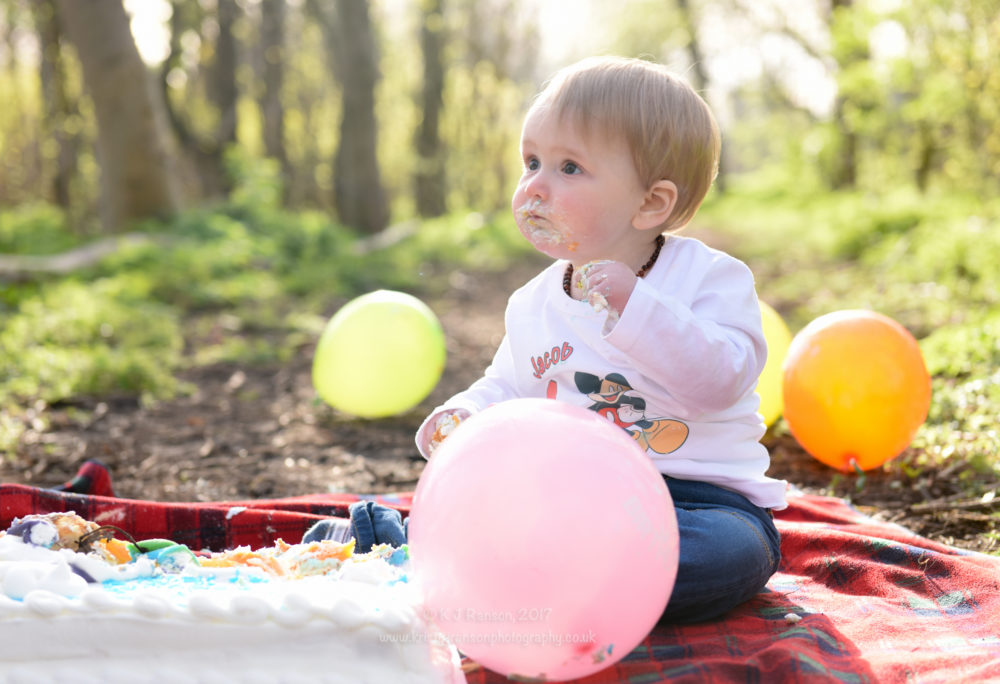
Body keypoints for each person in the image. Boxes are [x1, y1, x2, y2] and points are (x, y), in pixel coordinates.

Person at [307, 55, 788, 624]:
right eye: (530, 162)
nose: (535, 186)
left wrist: (638, 307)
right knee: (503, 508)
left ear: (650, 203)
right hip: (571, 498)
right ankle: (409, 541)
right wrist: (466, 414)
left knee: (733, 555)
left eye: (569, 168)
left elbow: (721, 382)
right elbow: (510, 386)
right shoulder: (533, 304)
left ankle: (492, 572)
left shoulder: (711, 280)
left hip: (697, 502)